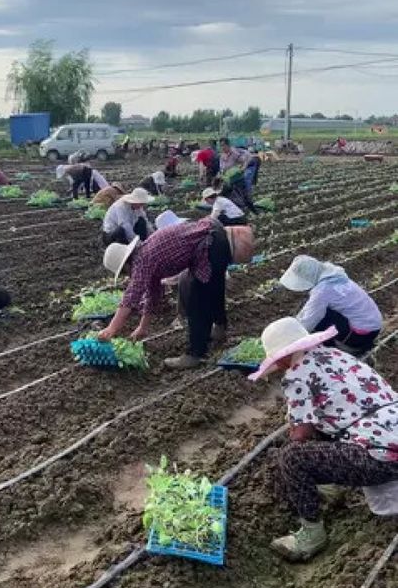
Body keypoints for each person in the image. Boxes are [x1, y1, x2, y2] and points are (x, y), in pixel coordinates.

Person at [249, 317, 398, 562]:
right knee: (325, 426)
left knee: (292, 456)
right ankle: (332, 486)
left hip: (381, 456)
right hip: (390, 436)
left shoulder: (297, 375)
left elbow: (300, 434)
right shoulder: (338, 357)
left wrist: (295, 432)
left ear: (284, 357)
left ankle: (311, 535)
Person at [98, 217, 232, 369]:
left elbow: (130, 298)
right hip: (214, 238)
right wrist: (143, 327)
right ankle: (220, 328)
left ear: (125, 265)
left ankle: (195, 354)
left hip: (209, 244)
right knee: (213, 289)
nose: (128, 275)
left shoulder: (142, 261)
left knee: (196, 300)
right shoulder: (145, 254)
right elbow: (153, 294)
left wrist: (111, 329)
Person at [280, 256, 382, 355]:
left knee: (319, 320)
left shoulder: (322, 291)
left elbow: (309, 320)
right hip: (374, 327)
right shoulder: (336, 277)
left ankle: (343, 348)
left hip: (360, 336)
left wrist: (291, 341)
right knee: (316, 309)